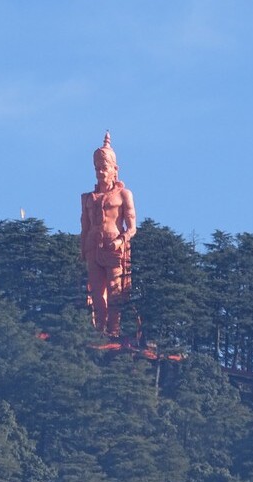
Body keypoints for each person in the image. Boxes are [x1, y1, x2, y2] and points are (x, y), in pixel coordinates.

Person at [80, 131, 137, 338]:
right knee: (96, 291)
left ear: (115, 169)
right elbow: (84, 226)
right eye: (97, 168)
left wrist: (121, 241)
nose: (100, 173)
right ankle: (99, 329)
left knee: (115, 289)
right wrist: (82, 250)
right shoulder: (88, 197)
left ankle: (114, 330)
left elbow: (132, 227)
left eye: (104, 168)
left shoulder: (123, 195)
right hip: (92, 246)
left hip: (114, 245)